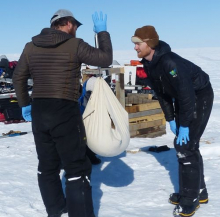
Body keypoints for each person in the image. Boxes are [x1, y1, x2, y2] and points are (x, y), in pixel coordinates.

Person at [12, 9, 112, 217]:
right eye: (75, 25)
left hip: (39, 111)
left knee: (47, 165)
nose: (75, 29)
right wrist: (102, 33)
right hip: (64, 110)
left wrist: (25, 104)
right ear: (67, 23)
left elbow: (18, 77)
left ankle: (56, 209)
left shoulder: (30, 47)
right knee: (76, 167)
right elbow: (105, 59)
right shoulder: (74, 45)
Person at [131, 26, 214, 217]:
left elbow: (187, 96)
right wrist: (171, 119)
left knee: (185, 146)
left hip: (199, 95)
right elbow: (162, 94)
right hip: (183, 98)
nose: (135, 48)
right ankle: (198, 191)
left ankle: (190, 198)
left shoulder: (170, 63)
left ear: (150, 43)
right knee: (187, 145)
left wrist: (184, 123)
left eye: (138, 43)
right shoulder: (149, 64)